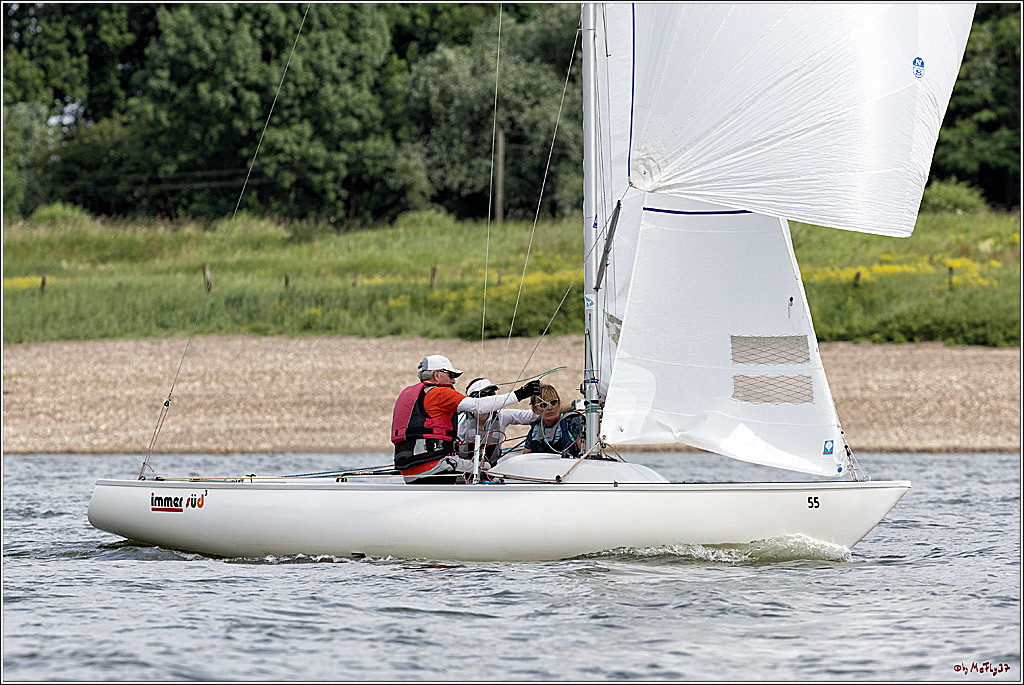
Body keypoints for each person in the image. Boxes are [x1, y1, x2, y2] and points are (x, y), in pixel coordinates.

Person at [391, 355, 541, 484]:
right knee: (487, 468)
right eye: (451, 376)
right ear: (436, 375)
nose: (454, 381)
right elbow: (478, 406)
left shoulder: (412, 393)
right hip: (432, 468)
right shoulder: (440, 393)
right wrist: (522, 393)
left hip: (409, 473)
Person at [457, 377, 537, 466]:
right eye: (483, 395)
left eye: (491, 394)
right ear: (471, 399)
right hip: (461, 473)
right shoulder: (460, 420)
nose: (488, 399)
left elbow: (534, 416)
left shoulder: (502, 416)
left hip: (491, 472)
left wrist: (541, 399)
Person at [523, 384, 585, 458]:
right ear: (535, 410)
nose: (549, 408)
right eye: (543, 405)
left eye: (553, 402)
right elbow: (526, 456)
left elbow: (586, 452)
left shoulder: (572, 422)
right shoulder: (535, 428)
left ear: (558, 404)